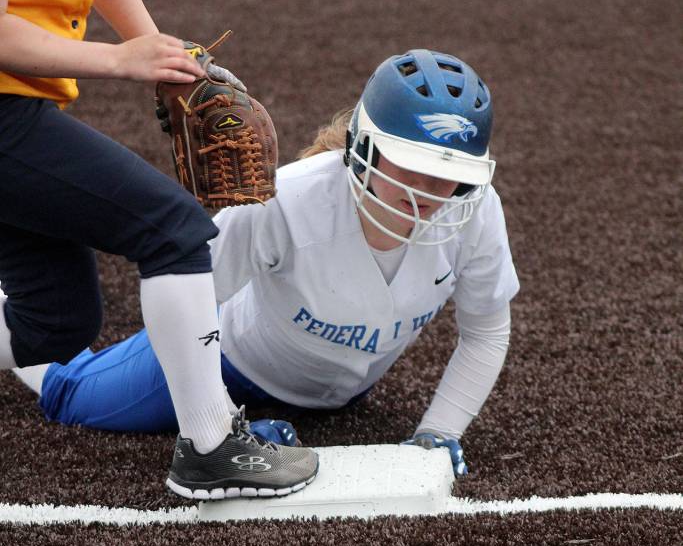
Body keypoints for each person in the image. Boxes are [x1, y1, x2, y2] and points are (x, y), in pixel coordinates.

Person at [17, 48, 520, 477]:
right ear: (362, 146)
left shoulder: (476, 212)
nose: (429, 191)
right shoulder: (287, 199)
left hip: (338, 392)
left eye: (450, 173)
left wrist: (438, 432)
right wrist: (217, 422)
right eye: (412, 164)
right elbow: (192, 300)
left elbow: (486, 332)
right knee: (70, 399)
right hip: (227, 358)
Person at [0, 0, 318, 499]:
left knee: (57, 322)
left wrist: (156, 49)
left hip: (22, 106)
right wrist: (119, 59)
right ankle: (209, 447)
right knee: (171, 231)